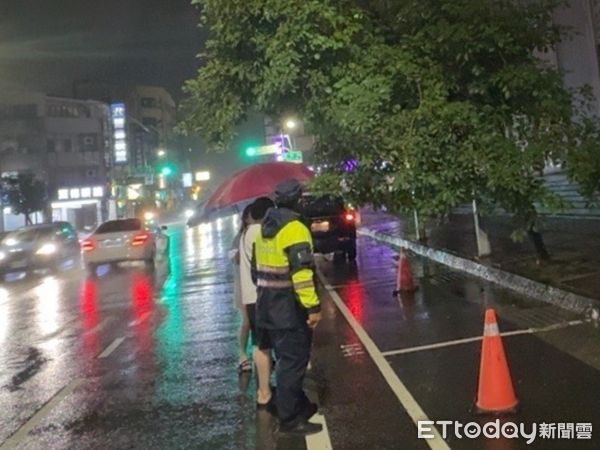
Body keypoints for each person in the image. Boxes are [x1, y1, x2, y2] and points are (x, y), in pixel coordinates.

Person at [252, 179, 322, 435]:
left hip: (266, 307)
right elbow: (302, 275)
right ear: (299, 199)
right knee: (293, 363)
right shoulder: (295, 229)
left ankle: (298, 406)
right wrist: (313, 307)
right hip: (289, 310)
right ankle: (290, 420)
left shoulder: (263, 229)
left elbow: (255, 272)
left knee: (285, 361)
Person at [239, 197, 276, 409]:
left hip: (251, 297)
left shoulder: (246, 233)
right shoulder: (256, 232)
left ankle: (264, 390)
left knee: (260, 342)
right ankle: (265, 391)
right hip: (261, 295)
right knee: (265, 344)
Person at [229, 204, 253, 373]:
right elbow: (234, 258)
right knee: (247, 322)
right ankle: (243, 354)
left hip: (260, 286)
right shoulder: (239, 238)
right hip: (244, 288)